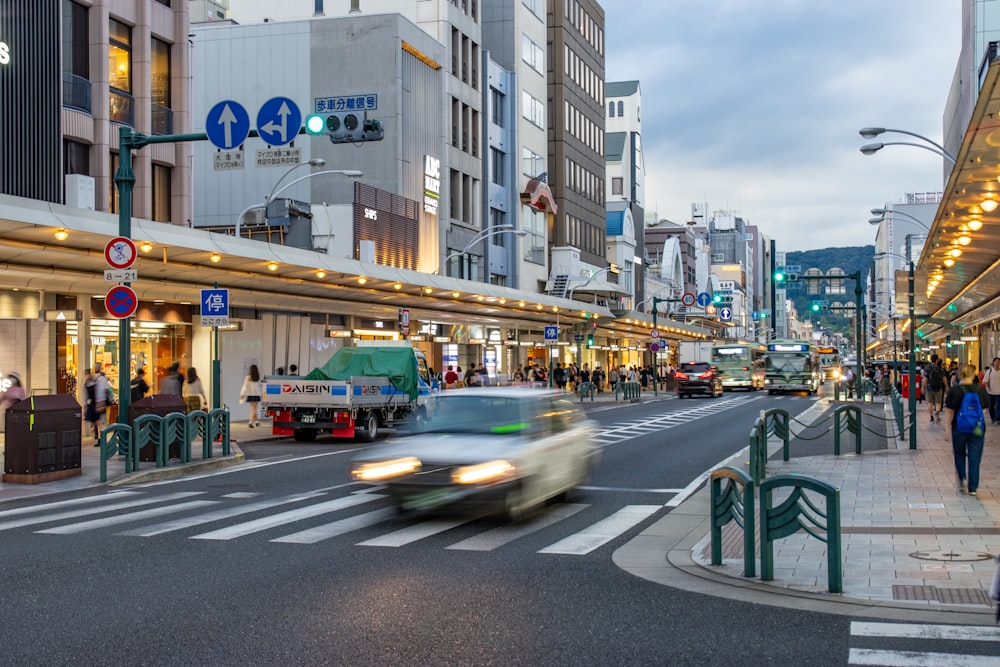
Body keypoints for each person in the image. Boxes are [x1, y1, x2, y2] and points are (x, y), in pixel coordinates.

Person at [944, 364, 990, 496]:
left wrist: (946, 429)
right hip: (977, 429)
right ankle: (973, 487)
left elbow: (949, 411)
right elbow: (984, 410)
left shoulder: (955, 390)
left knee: (959, 454)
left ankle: (962, 478)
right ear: (973, 374)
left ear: (959, 375)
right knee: (975, 457)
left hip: (959, 427)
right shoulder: (980, 390)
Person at [923, 354, 947, 423]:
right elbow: (944, 378)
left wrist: (922, 387)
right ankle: (937, 413)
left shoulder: (928, 368)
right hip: (938, 387)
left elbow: (925, 378)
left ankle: (931, 417)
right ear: (937, 360)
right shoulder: (940, 368)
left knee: (930, 403)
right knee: (938, 403)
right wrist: (947, 386)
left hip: (929, 387)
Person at [984, 358, 1000, 425]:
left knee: (998, 406)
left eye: (998, 362)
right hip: (991, 392)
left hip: (999, 393)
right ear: (993, 363)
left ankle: (997, 419)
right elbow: (985, 381)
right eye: (996, 361)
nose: (997, 363)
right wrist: (988, 388)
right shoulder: (989, 371)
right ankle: (993, 418)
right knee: (991, 407)